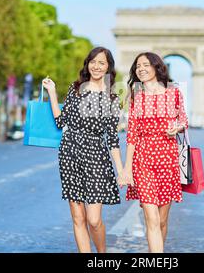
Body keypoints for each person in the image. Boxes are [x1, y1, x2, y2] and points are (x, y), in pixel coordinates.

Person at [42, 47, 124, 253]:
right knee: (78, 217)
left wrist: (121, 170)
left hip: (97, 156)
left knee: (94, 220)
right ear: (88, 64)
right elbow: (61, 122)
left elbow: (113, 138)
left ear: (108, 68)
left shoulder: (113, 98)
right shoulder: (76, 88)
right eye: (93, 62)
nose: (96, 66)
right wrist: (52, 92)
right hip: (70, 153)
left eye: (102, 63)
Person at [121, 52, 188, 253]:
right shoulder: (136, 96)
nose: (141, 69)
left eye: (145, 65)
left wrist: (177, 127)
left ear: (156, 66)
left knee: (162, 220)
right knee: (151, 218)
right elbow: (132, 133)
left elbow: (184, 120)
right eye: (138, 66)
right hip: (143, 160)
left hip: (168, 159)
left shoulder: (174, 93)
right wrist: (127, 168)